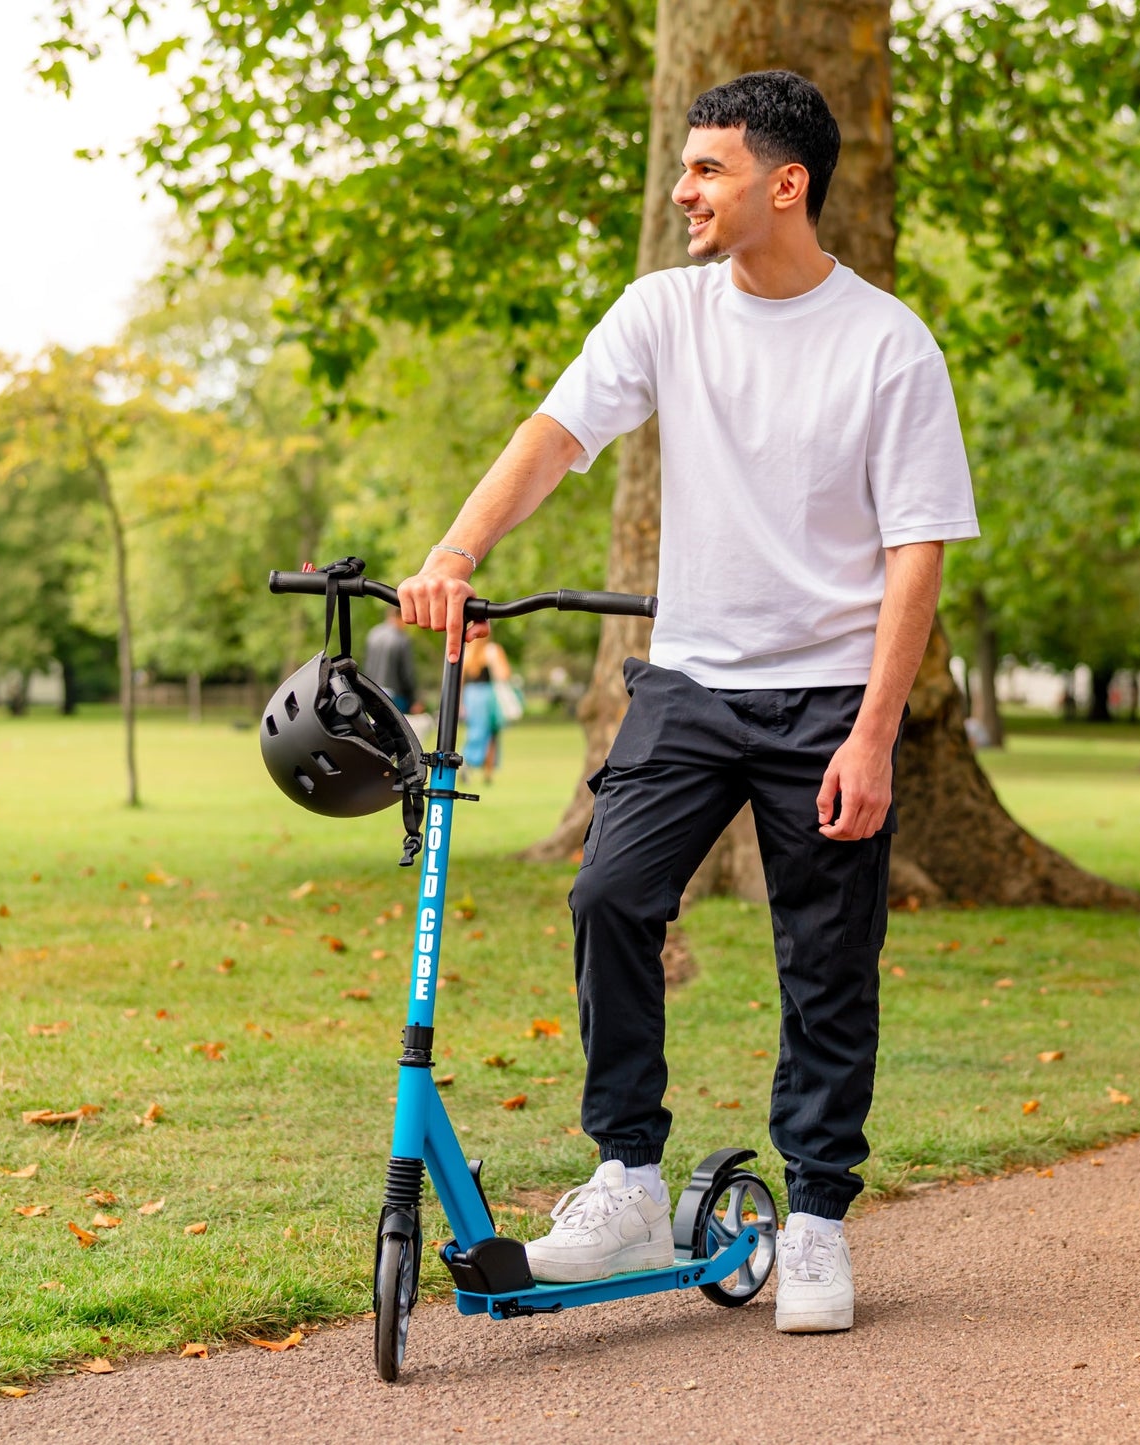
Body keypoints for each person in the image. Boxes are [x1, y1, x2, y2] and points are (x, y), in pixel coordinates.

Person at [397, 70, 978, 1334]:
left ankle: (816, 1213)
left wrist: (875, 732)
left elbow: (917, 549)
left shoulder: (887, 342)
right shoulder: (664, 311)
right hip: (692, 681)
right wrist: (456, 549)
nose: (682, 190)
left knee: (825, 958)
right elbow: (555, 432)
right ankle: (627, 1172)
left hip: (828, 694)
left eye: (706, 169)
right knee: (608, 893)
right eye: (685, 168)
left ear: (787, 184)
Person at [459, 631, 514, 784]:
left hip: (471, 696)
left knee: (474, 732)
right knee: (491, 734)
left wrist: (461, 703)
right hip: (488, 696)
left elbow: (460, 681)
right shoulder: (492, 651)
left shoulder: (467, 653)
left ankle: (467, 765)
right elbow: (504, 674)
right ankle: (486, 772)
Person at [362, 610, 418, 714]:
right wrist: (413, 699)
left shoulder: (373, 634)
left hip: (374, 692)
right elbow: (407, 674)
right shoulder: (401, 638)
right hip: (396, 696)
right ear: (401, 617)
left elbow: (367, 666)